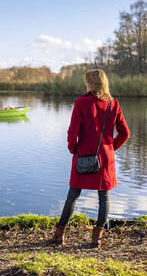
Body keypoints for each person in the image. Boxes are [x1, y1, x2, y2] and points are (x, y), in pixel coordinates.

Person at [50, 69, 130, 247]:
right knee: (104, 197)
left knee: (73, 195)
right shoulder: (113, 104)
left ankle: (60, 235)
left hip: (84, 156)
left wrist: (74, 149)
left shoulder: (81, 103)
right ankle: (96, 239)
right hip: (105, 159)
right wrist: (111, 147)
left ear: (90, 83)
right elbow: (125, 133)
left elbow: (72, 132)